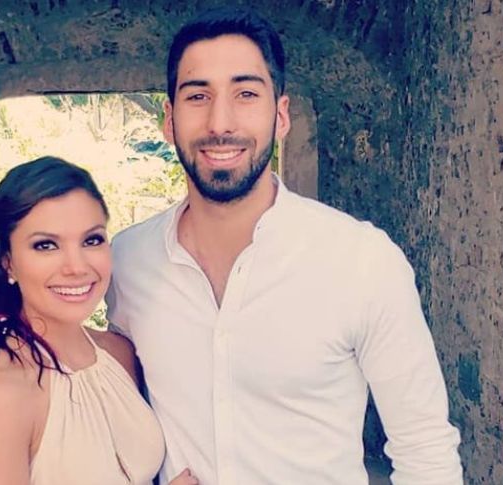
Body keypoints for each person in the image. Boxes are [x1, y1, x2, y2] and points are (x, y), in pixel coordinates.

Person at [105, 7, 463, 485]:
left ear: (281, 115)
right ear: (169, 120)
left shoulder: (362, 261)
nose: (220, 122)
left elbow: (426, 452)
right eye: (198, 96)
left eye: (246, 93)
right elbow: (108, 415)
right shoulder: (128, 261)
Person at [0, 156, 198, 485]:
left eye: (91, 240)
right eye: (46, 245)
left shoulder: (119, 353)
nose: (77, 267)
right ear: (8, 262)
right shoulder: (1, 391)